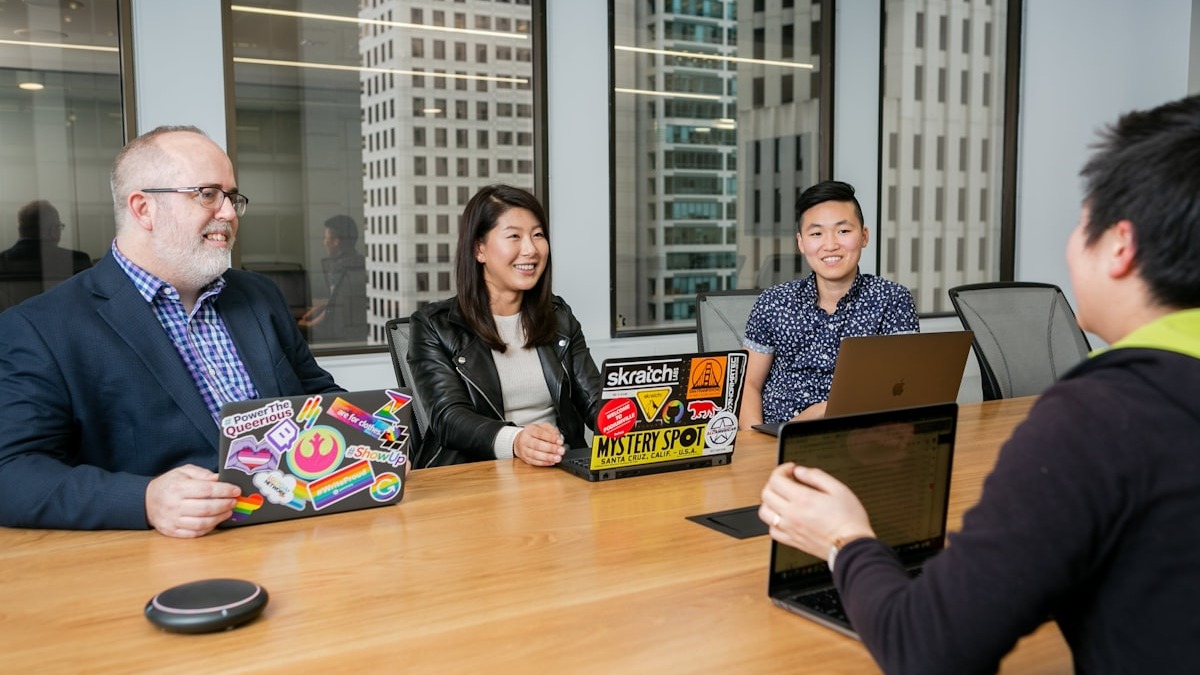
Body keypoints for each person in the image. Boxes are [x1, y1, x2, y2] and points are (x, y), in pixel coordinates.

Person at [759, 95, 1200, 673]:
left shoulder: (1095, 417)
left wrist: (842, 535)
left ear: (1119, 246)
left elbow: (930, 647)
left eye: (1081, 220)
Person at [0, 125, 341, 537]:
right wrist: (144, 500)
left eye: (232, 197)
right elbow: (13, 474)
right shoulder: (41, 327)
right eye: (208, 194)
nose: (229, 213)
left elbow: (318, 396)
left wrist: (369, 445)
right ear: (144, 209)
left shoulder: (258, 295)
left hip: (297, 527)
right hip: (164, 556)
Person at [407, 184, 604, 468]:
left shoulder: (558, 315)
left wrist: (633, 421)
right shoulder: (434, 326)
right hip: (474, 478)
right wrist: (516, 441)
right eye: (514, 236)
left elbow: (593, 398)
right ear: (479, 249)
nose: (531, 249)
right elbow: (449, 419)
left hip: (557, 470)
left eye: (538, 235)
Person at [740, 180, 918, 429]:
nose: (831, 244)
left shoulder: (892, 300)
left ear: (864, 236)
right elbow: (748, 383)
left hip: (860, 439)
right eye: (816, 233)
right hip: (774, 440)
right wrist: (757, 443)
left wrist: (825, 411)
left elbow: (901, 387)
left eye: (843, 231)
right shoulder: (774, 301)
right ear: (801, 242)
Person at [0, 200, 93, 307]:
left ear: (20, 229)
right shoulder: (76, 260)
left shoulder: (2, 261)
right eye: (59, 227)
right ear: (52, 230)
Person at [298, 214, 368, 343]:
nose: (324, 243)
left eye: (326, 238)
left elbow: (337, 307)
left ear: (336, 241)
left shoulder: (347, 271)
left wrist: (309, 325)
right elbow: (337, 299)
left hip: (344, 336)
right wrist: (320, 307)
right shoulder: (354, 264)